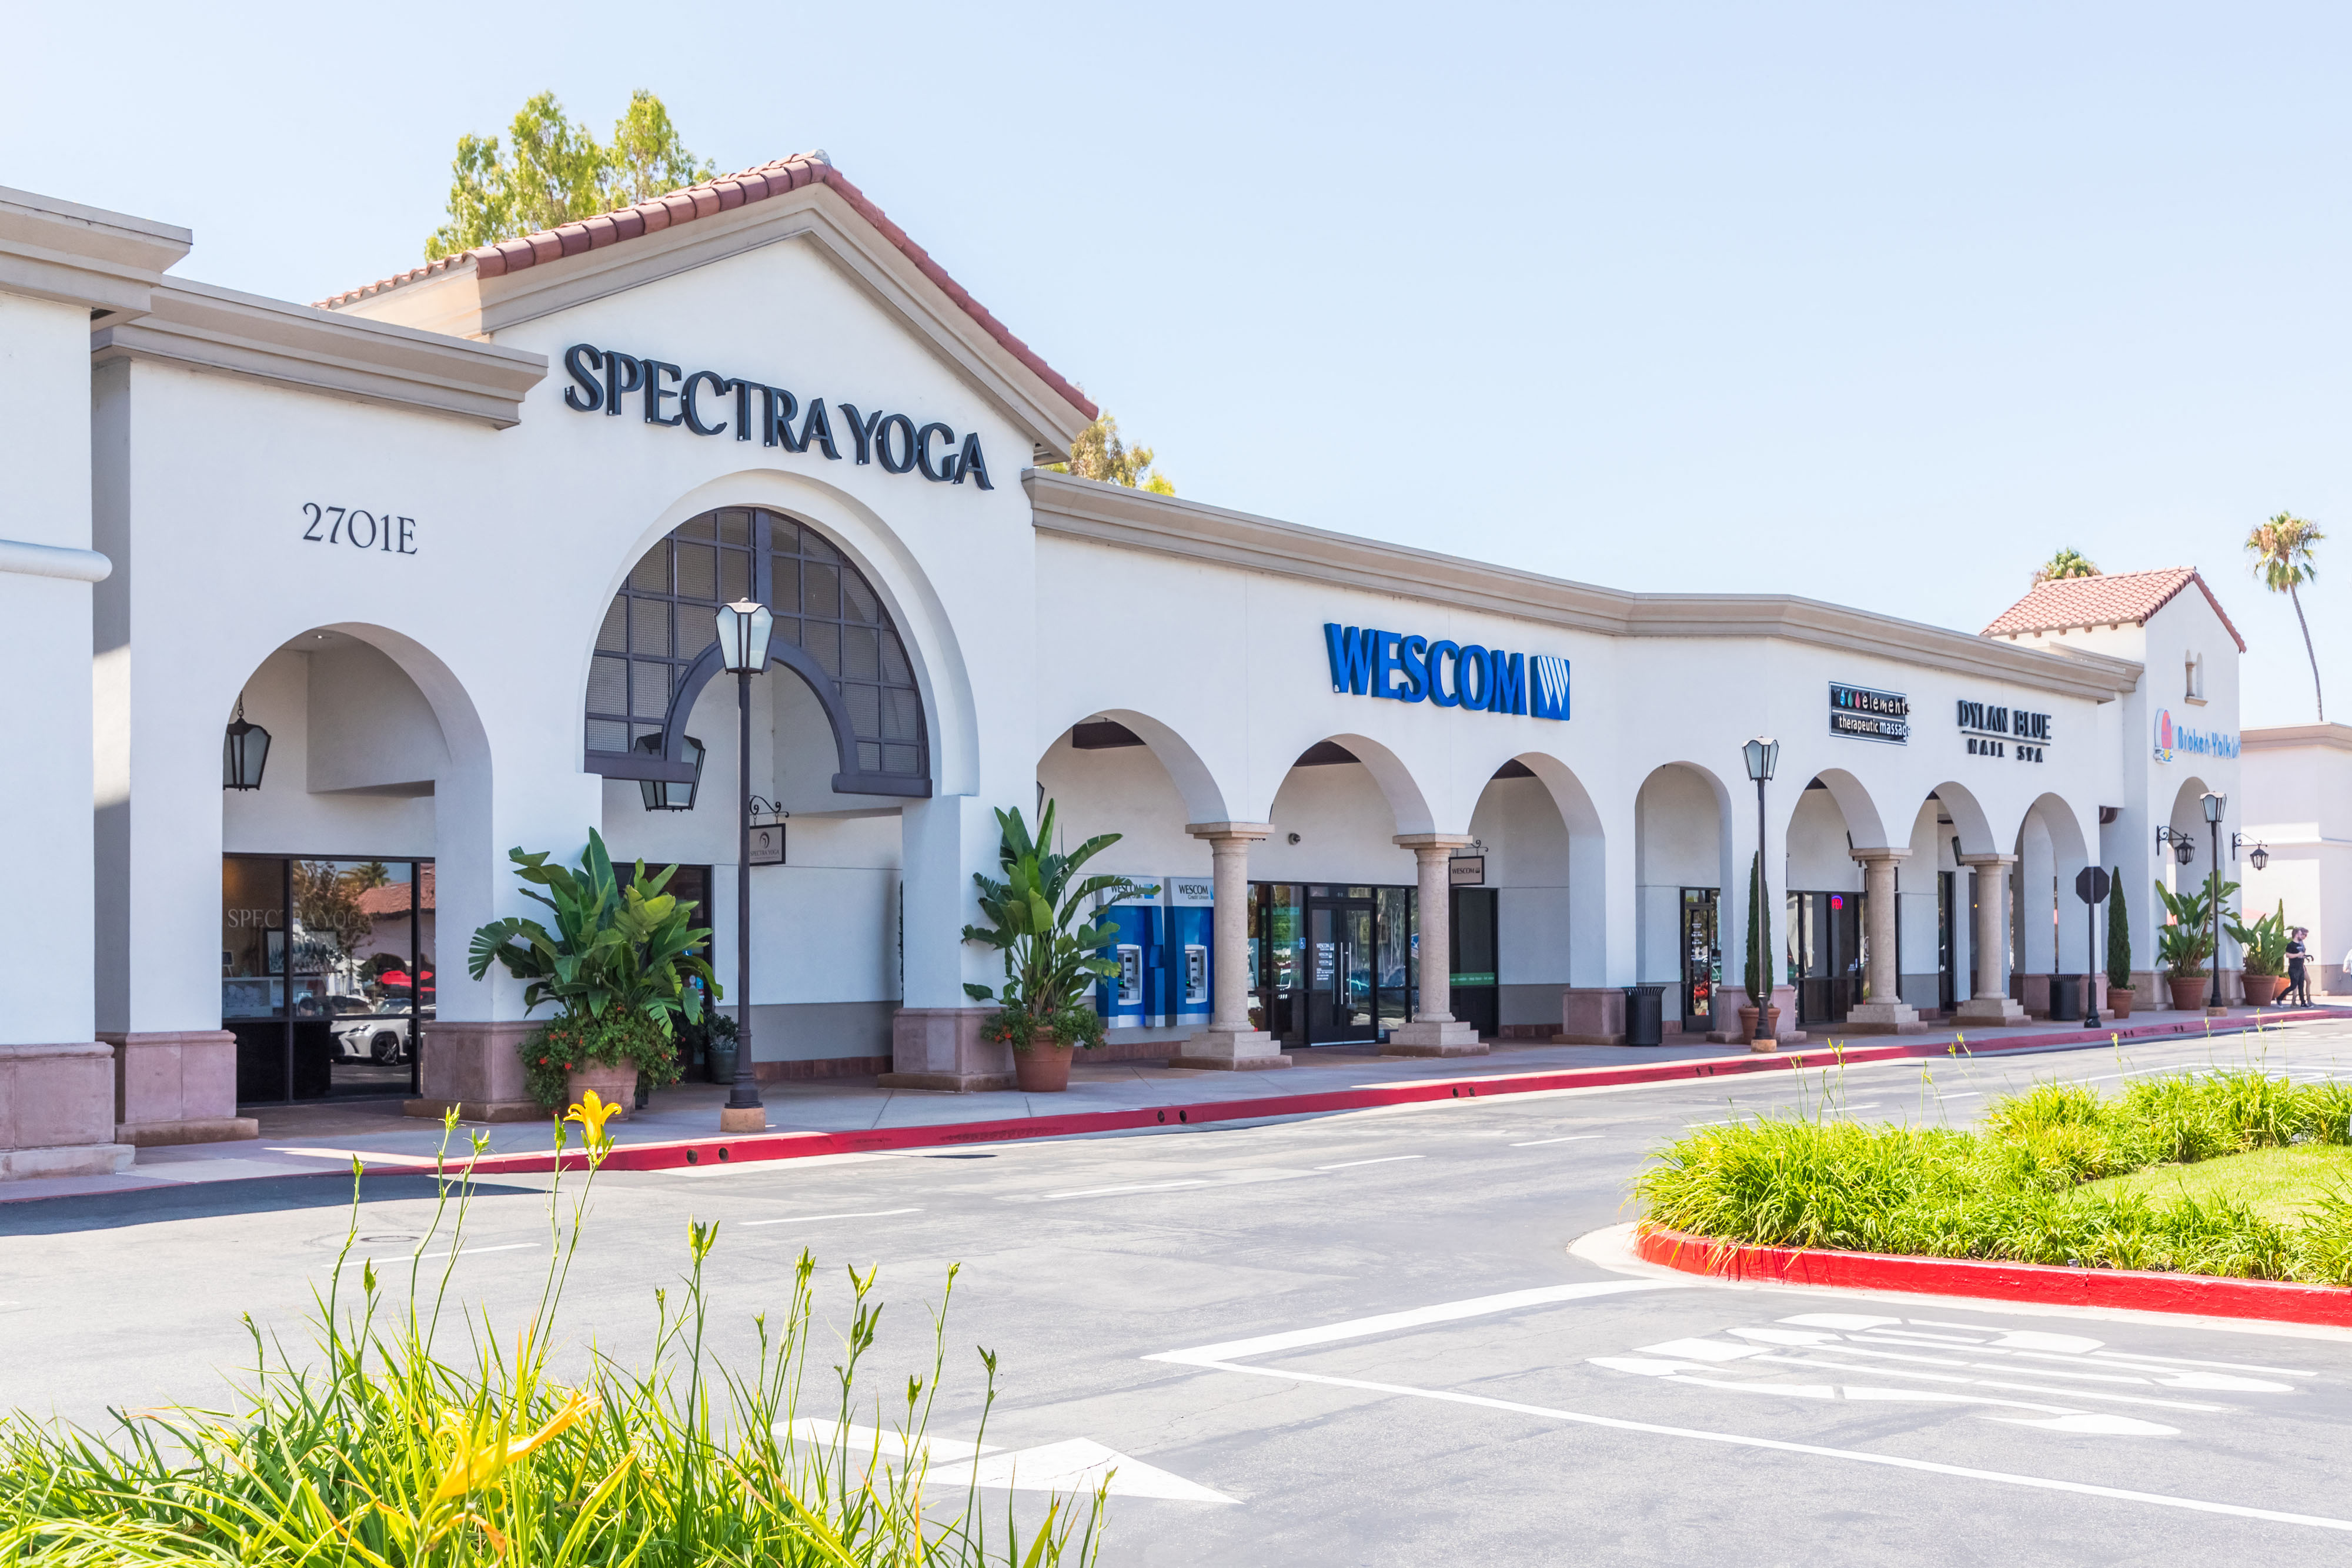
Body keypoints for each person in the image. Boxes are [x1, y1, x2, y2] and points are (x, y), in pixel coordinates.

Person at [2286, 927, 2311, 1007]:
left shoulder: (2301, 942)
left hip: (2301, 964)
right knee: (2296, 984)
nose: (2305, 937)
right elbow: (2292, 955)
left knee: (2308, 981)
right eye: (2305, 935)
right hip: (2296, 966)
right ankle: (2294, 1001)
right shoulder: (2295, 943)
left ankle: (2308, 1000)